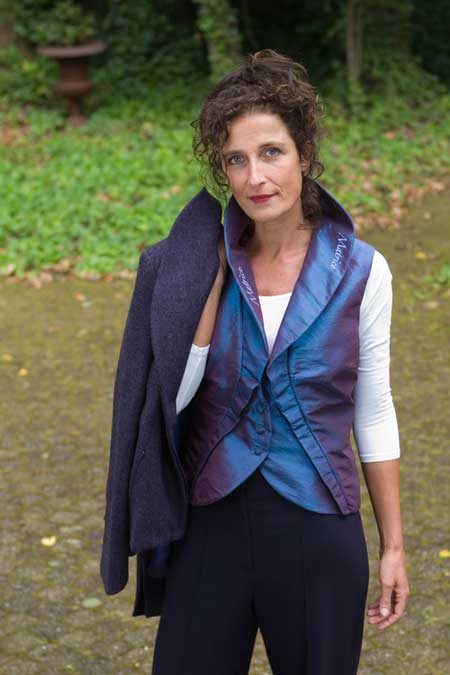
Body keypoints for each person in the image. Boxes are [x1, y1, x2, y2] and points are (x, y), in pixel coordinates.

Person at [100, 49, 410, 675]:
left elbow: (373, 410)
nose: (254, 178)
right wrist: (209, 286)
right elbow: (170, 401)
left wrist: (394, 547)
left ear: (304, 155)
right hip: (210, 521)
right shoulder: (194, 264)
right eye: (235, 160)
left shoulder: (363, 270)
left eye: (271, 152)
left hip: (317, 524)